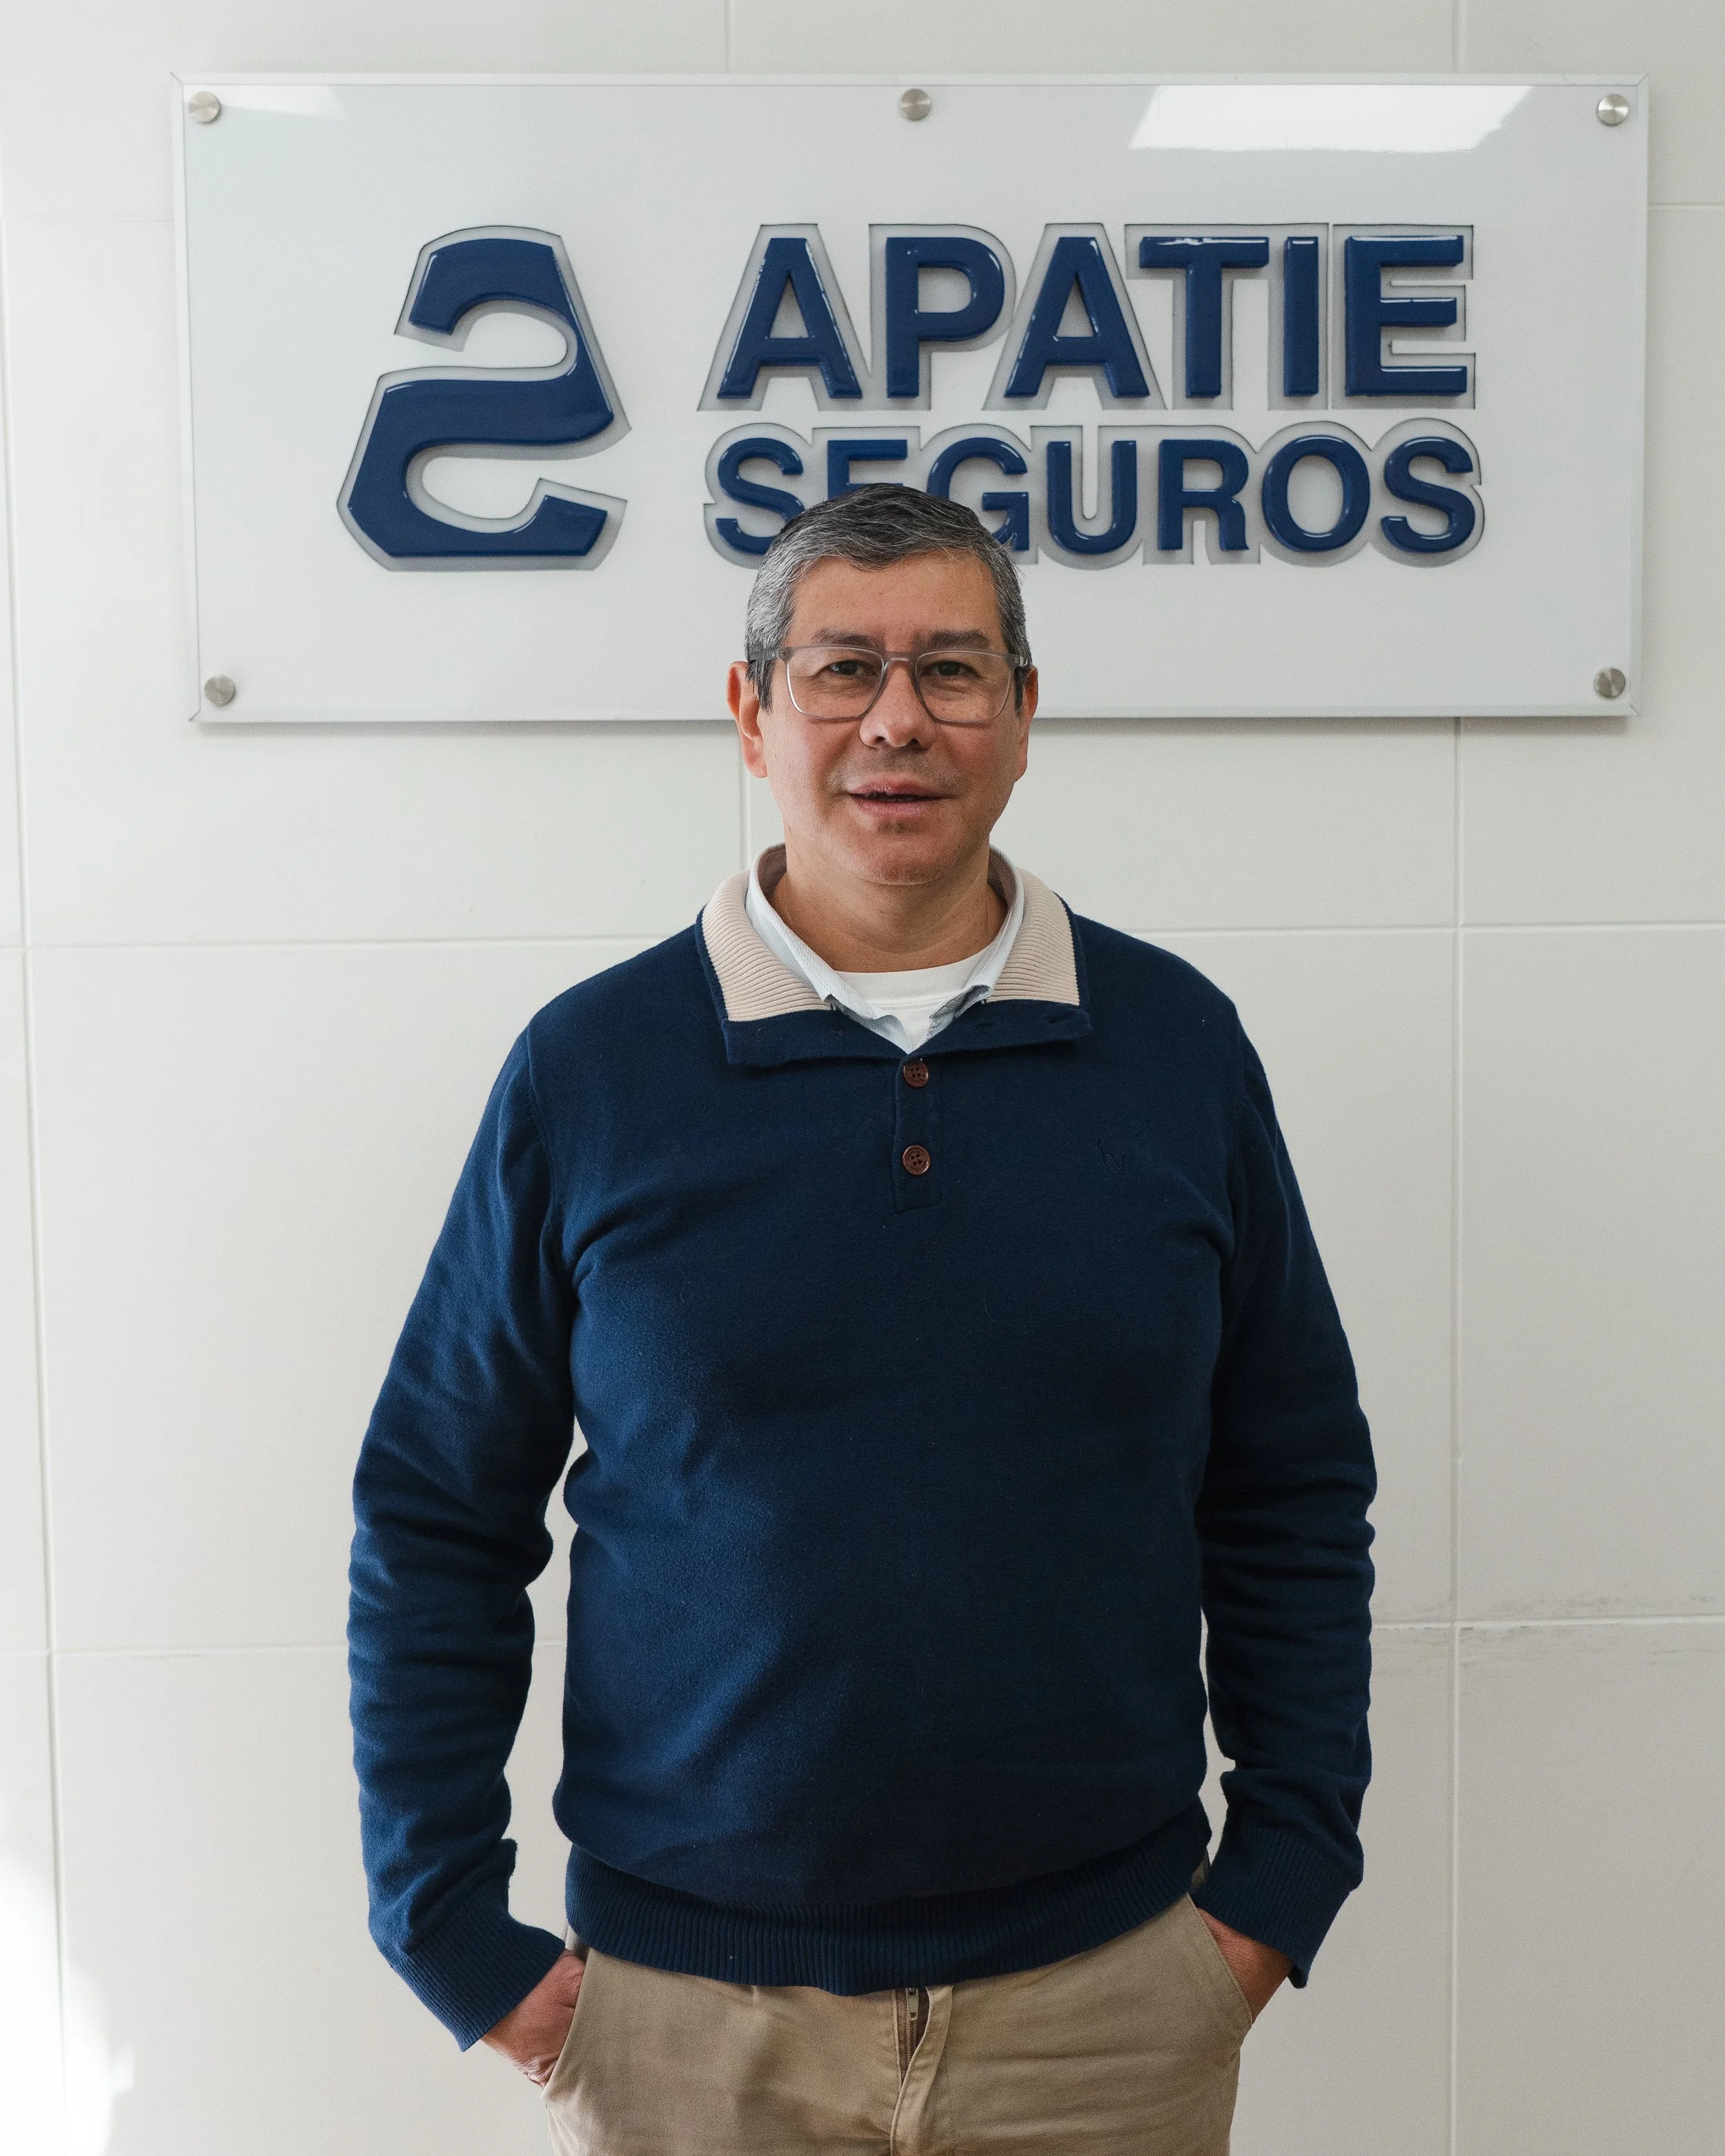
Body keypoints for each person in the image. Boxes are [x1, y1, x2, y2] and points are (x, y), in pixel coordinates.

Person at [348, 486, 1375, 2155]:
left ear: (1021, 716)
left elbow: (1290, 1488)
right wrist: (451, 1929)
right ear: (752, 712)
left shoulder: (1176, 1050)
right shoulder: (592, 1070)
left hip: (1106, 2010)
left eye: (950, 669)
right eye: (841, 668)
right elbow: (435, 1510)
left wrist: (1278, 1882)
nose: (896, 719)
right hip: (688, 2023)